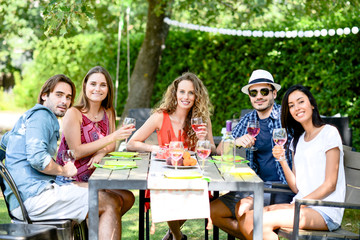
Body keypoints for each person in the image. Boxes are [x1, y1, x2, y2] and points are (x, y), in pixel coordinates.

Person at [1, 74, 125, 239]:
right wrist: (64, 171)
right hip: (35, 198)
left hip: (31, 195)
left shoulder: (29, 117)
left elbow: (3, 144)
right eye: (59, 95)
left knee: (104, 193)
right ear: (45, 95)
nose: (64, 101)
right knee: (109, 202)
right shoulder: (42, 116)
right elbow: (38, 159)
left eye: (68, 97)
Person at [237, 84, 346, 239]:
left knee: (257, 221)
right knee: (247, 218)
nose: (297, 108)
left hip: (325, 210)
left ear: (312, 104)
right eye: (291, 105)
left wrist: (301, 202)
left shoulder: (329, 133)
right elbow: (295, 186)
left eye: (301, 102)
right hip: (301, 205)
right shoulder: (297, 140)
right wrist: (281, 159)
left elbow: (330, 185)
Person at [127, 72, 216, 240]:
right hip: (164, 175)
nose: (186, 96)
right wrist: (155, 149)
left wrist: (203, 140)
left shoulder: (202, 119)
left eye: (191, 92)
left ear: (197, 96)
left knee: (195, 195)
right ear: (175, 93)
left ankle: (173, 235)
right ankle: (177, 236)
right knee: (170, 197)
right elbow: (132, 143)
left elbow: (212, 148)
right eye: (182, 91)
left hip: (191, 176)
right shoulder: (160, 116)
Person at [211, 69, 294, 239]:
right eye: (253, 92)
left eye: (264, 91)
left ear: (274, 93)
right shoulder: (249, 120)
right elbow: (220, 150)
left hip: (281, 188)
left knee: (242, 210)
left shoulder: (286, 117)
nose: (259, 96)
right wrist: (235, 141)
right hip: (253, 187)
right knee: (213, 212)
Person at [55, 66, 135, 231]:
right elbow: (76, 151)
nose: (97, 89)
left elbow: (111, 146)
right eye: (93, 84)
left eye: (103, 85)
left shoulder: (109, 112)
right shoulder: (74, 113)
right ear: (85, 86)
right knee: (111, 201)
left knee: (128, 197)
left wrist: (102, 152)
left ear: (108, 89)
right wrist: (111, 138)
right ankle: (94, 228)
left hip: (97, 178)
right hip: (70, 180)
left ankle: (94, 229)